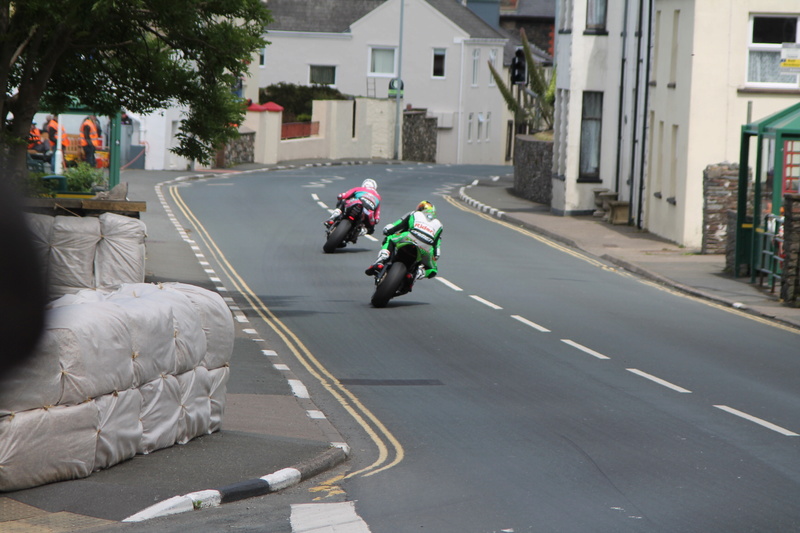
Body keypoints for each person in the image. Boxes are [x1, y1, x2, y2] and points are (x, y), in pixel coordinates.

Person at [365, 200, 443, 280]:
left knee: (389, 239)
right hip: (426, 248)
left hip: (409, 236)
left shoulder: (414, 213)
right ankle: (418, 273)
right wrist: (434, 256)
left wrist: (387, 230)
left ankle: (382, 259)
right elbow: (437, 247)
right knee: (433, 269)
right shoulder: (439, 225)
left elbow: (397, 225)